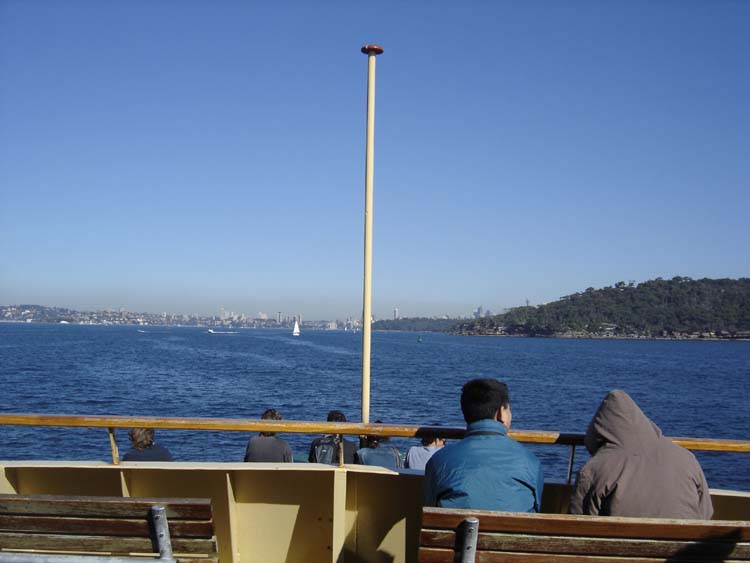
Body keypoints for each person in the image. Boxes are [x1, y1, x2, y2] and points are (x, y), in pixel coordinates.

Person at [569, 389, 713, 519]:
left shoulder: (593, 470)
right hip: (685, 539)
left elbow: (579, 523)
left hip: (621, 541)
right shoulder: (687, 459)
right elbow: (706, 513)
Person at [424, 378, 543, 512]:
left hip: (456, 527)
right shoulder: (530, 461)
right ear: (501, 413)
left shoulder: (439, 461)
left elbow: (430, 508)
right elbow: (537, 508)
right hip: (515, 526)